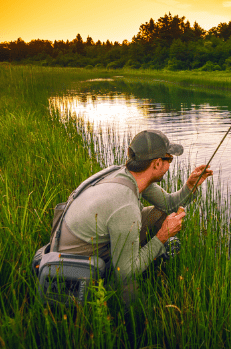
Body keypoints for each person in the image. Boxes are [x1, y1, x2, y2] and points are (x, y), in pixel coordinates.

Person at [56, 129, 212, 301]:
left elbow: (168, 204)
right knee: (135, 297)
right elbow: (124, 273)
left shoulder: (127, 175)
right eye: (170, 159)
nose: (170, 165)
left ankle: (142, 254)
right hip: (80, 264)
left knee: (159, 212)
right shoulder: (125, 205)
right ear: (157, 163)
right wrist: (162, 236)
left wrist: (191, 185)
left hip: (91, 242)